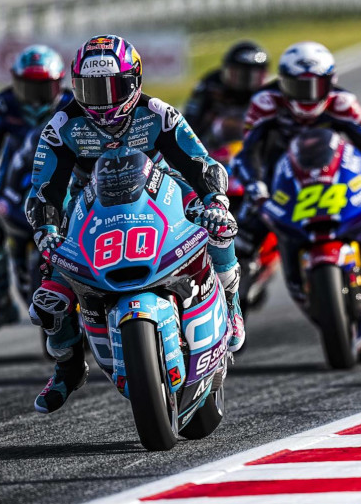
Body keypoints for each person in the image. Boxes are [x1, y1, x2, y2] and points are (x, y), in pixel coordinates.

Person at [25, 34, 244, 414]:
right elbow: (44, 188)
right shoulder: (61, 126)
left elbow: (200, 164)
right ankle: (68, 367)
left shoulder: (157, 113)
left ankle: (231, 299)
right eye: (91, 88)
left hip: (163, 196)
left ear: (134, 82)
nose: (103, 99)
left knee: (220, 226)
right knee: (47, 297)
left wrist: (216, 201)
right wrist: (46, 229)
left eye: (113, 87)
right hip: (90, 209)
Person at [235, 41, 361, 294]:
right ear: (283, 81)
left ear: (331, 81)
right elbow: (248, 150)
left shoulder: (342, 102)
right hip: (281, 181)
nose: (308, 95)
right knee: (242, 235)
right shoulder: (265, 101)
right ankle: (235, 299)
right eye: (298, 86)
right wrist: (255, 183)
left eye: (317, 86)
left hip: (336, 176)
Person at [0, 45, 70, 341]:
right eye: (28, 86)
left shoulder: (72, 106)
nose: (35, 96)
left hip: (62, 187)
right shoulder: (3, 105)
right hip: (11, 188)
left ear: (59, 83)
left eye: (43, 87)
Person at [183, 40, 270, 150]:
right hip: (214, 148)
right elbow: (190, 122)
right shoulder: (210, 86)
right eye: (240, 75)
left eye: (253, 76)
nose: (246, 82)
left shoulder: (269, 92)